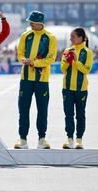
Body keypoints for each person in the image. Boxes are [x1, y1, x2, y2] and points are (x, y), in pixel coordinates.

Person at [14, 11, 57, 149]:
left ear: (40, 23)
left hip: (42, 79)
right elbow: (19, 53)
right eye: (30, 22)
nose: (30, 24)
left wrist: (34, 63)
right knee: (23, 109)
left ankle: (42, 139)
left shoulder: (50, 37)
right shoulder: (25, 36)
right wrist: (23, 60)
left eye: (32, 22)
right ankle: (22, 139)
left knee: (42, 110)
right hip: (25, 78)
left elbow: (51, 58)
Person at [61, 28, 93, 149]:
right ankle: (70, 139)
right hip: (67, 88)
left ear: (81, 37)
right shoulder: (67, 50)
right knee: (68, 114)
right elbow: (62, 69)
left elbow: (86, 70)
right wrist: (68, 62)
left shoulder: (87, 52)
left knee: (80, 114)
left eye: (73, 36)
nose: (71, 39)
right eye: (70, 36)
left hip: (81, 89)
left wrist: (76, 61)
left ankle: (79, 139)